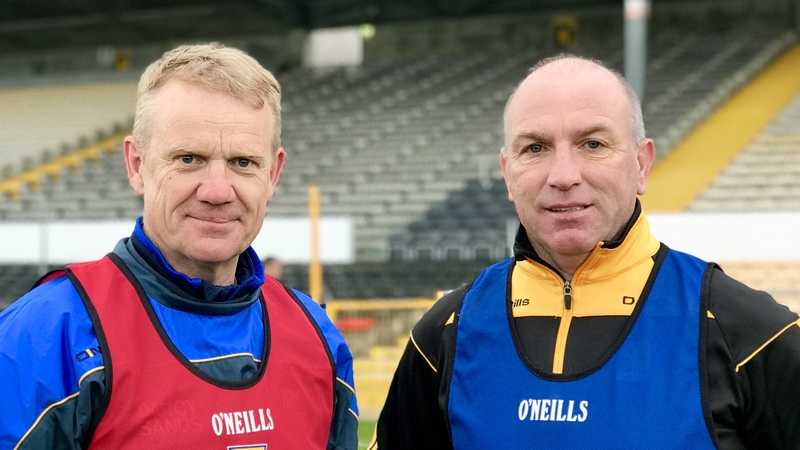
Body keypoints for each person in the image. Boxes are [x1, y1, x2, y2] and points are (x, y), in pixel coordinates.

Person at [375, 55, 800, 449]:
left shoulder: (749, 334)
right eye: (535, 148)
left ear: (641, 165)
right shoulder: (445, 334)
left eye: (593, 144)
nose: (563, 176)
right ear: (507, 175)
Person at [0, 43, 358, 450]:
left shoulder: (317, 337)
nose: (218, 191)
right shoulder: (44, 335)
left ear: (273, 174)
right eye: (189, 158)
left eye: (243, 162)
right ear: (137, 165)